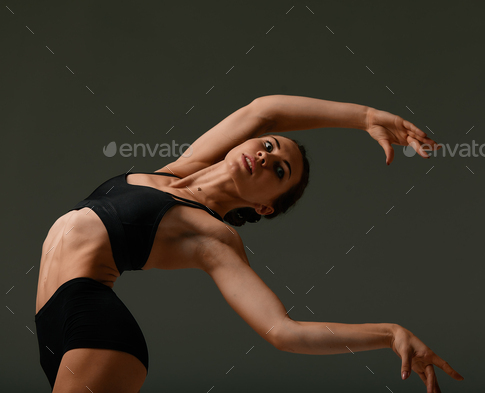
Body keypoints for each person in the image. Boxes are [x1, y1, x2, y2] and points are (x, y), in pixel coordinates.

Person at [35, 94, 462, 393]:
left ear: (265, 207)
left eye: (279, 172)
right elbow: (265, 110)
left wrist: (388, 334)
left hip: (97, 327)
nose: (265, 156)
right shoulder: (177, 169)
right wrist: (364, 115)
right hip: (51, 323)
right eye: (270, 147)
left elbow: (282, 330)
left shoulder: (214, 236)